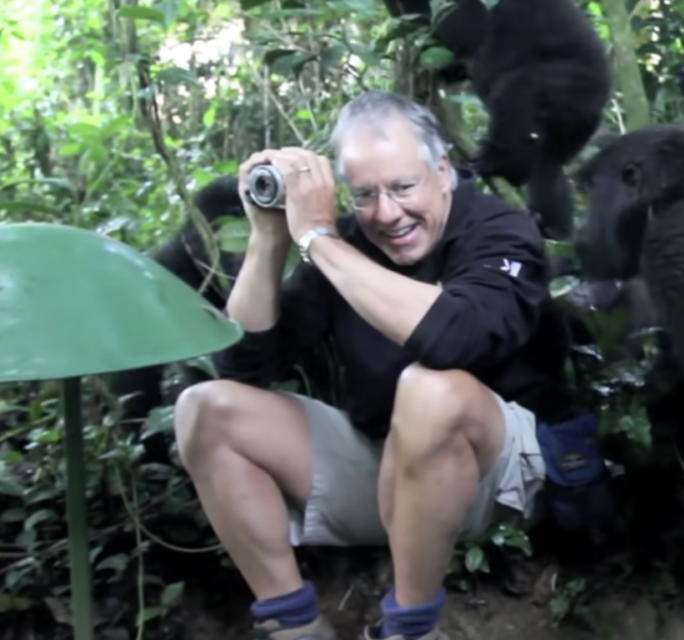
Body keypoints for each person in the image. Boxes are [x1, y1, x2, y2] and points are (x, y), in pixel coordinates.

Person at [173, 90, 584, 640]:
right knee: (206, 407)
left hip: (500, 482)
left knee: (429, 389)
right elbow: (245, 366)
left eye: (403, 187)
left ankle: (410, 627)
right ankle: (294, 623)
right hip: (389, 470)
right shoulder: (347, 246)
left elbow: (456, 340)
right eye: (365, 195)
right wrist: (271, 237)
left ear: (442, 171)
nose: (387, 214)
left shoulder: (498, 228)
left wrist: (318, 239)